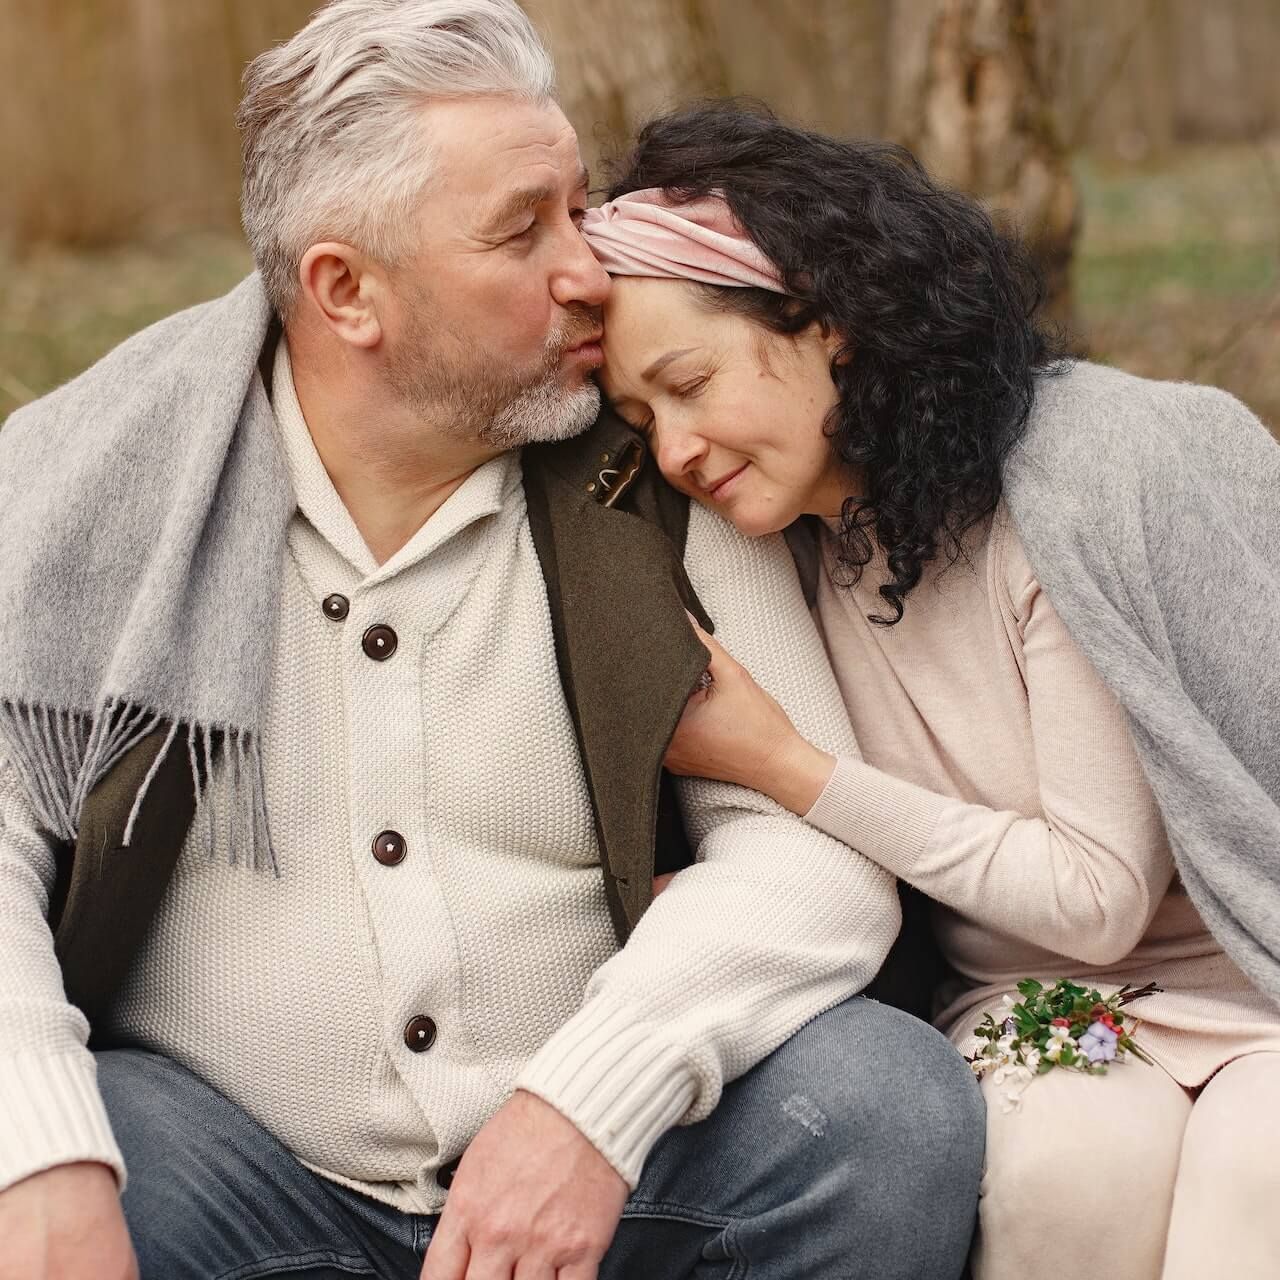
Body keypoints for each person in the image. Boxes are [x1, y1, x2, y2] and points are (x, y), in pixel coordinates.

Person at [0, 8, 986, 1280]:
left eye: (578, 209)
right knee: (79, 1143)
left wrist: (589, 1100)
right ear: (345, 289)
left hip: (607, 1179)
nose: (588, 270)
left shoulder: (658, 470)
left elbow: (811, 858)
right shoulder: (97, 486)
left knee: (882, 1105)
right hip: (232, 1182)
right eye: (522, 230)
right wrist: (40, 1149)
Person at [584, 102, 1280, 1280]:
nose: (675, 449)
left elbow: (1096, 892)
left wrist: (786, 765)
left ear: (830, 325)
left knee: (1256, 1174)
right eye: (643, 418)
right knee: (1067, 1171)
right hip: (1030, 1004)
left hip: (1241, 977)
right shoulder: (773, 548)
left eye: (690, 382)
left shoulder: (1062, 494)